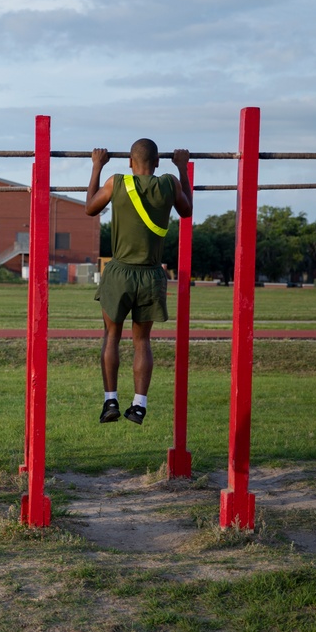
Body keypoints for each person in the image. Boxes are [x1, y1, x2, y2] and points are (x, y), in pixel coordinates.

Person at [85, 139, 192, 425]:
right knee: (142, 340)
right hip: (151, 275)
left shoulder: (117, 182)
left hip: (119, 273)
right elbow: (187, 210)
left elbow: (90, 208)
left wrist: (97, 166)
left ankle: (110, 400)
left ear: (130, 163)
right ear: (158, 163)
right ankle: (139, 405)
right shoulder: (170, 184)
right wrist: (182, 168)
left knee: (111, 336)